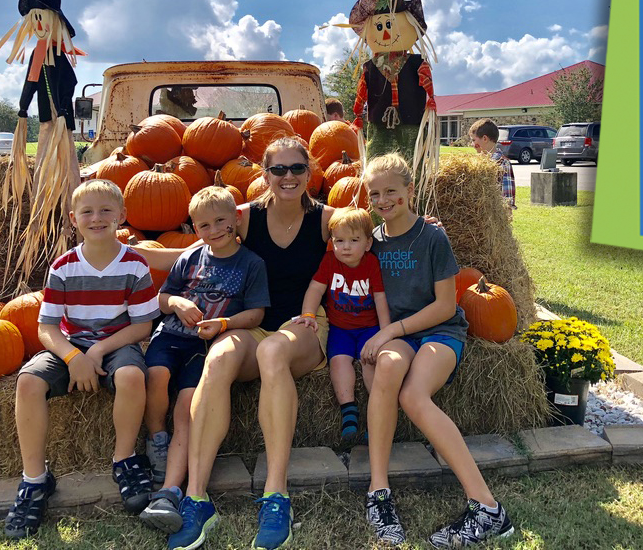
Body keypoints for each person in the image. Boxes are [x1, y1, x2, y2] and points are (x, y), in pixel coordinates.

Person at [161, 136, 333, 550]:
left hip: (305, 326)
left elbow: (373, 232)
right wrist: (114, 248)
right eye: (278, 169)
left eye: (296, 169)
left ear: (309, 173)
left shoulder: (327, 218)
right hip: (254, 327)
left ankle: (276, 496)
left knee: (274, 350)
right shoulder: (243, 218)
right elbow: (191, 247)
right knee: (218, 356)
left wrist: (423, 224)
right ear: (264, 174)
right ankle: (197, 498)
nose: (288, 177)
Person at [359, 153, 515, 548]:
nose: (382, 200)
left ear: (410, 191)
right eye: (374, 193)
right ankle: (379, 493)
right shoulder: (370, 243)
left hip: (440, 331)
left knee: (412, 395)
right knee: (388, 369)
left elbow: (446, 305)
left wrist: (391, 330)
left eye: (391, 191)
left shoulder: (432, 238)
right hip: (399, 338)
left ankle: (487, 507)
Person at [4, 179, 159, 539]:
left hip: (117, 343)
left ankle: (124, 461)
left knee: (133, 378)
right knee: (28, 382)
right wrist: (74, 356)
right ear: (74, 219)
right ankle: (35, 481)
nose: (97, 218)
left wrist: (100, 351)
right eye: (87, 212)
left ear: (122, 215)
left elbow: (142, 326)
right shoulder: (64, 267)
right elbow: (46, 329)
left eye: (106, 210)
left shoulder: (134, 265)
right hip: (70, 345)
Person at [139, 186, 271, 533]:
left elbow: (257, 314)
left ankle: (168, 491)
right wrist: (178, 303)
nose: (212, 231)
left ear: (237, 219)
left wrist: (225, 324)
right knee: (155, 376)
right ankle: (157, 442)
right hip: (170, 336)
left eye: (220, 222)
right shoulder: (190, 258)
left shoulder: (251, 264)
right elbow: (164, 296)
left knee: (187, 405)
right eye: (203, 226)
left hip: (204, 344)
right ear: (194, 229)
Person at [293, 206, 389, 448]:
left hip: (369, 328)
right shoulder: (329, 262)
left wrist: (386, 332)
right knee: (338, 361)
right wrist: (308, 314)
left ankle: (376, 414)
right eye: (339, 241)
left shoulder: (371, 264)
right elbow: (315, 288)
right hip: (341, 328)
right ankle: (349, 411)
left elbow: (379, 297)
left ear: (368, 244)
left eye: (353, 240)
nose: (345, 247)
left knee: (371, 363)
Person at [469, 118, 516, 213]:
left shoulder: (502, 163)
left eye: (474, 140)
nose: (472, 144)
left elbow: (508, 199)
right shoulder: (475, 162)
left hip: (492, 217)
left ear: (485, 139)